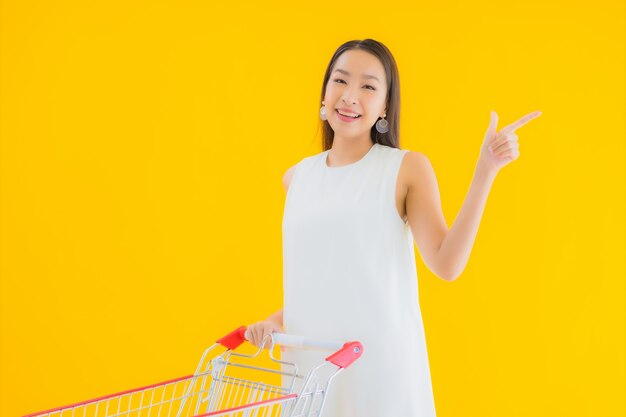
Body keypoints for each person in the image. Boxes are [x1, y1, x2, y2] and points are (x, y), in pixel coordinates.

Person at [245, 39, 541, 417]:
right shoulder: (297, 179)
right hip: (311, 376)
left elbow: (446, 264)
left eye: (368, 86)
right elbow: (327, 282)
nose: (350, 96)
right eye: (340, 81)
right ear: (324, 93)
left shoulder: (405, 169)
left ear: (385, 105)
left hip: (378, 374)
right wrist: (274, 322)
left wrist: (485, 170)